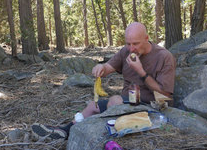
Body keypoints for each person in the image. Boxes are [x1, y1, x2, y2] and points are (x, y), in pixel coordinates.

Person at [31, 22, 176, 140]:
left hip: (151, 107)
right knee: (92, 107)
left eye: (136, 44)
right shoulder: (126, 51)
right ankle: (65, 131)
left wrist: (141, 71)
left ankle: (102, 134)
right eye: (128, 44)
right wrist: (101, 68)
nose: (131, 48)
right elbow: (108, 66)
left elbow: (165, 93)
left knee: (115, 101)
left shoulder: (164, 57)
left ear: (146, 38)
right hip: (128, 102)